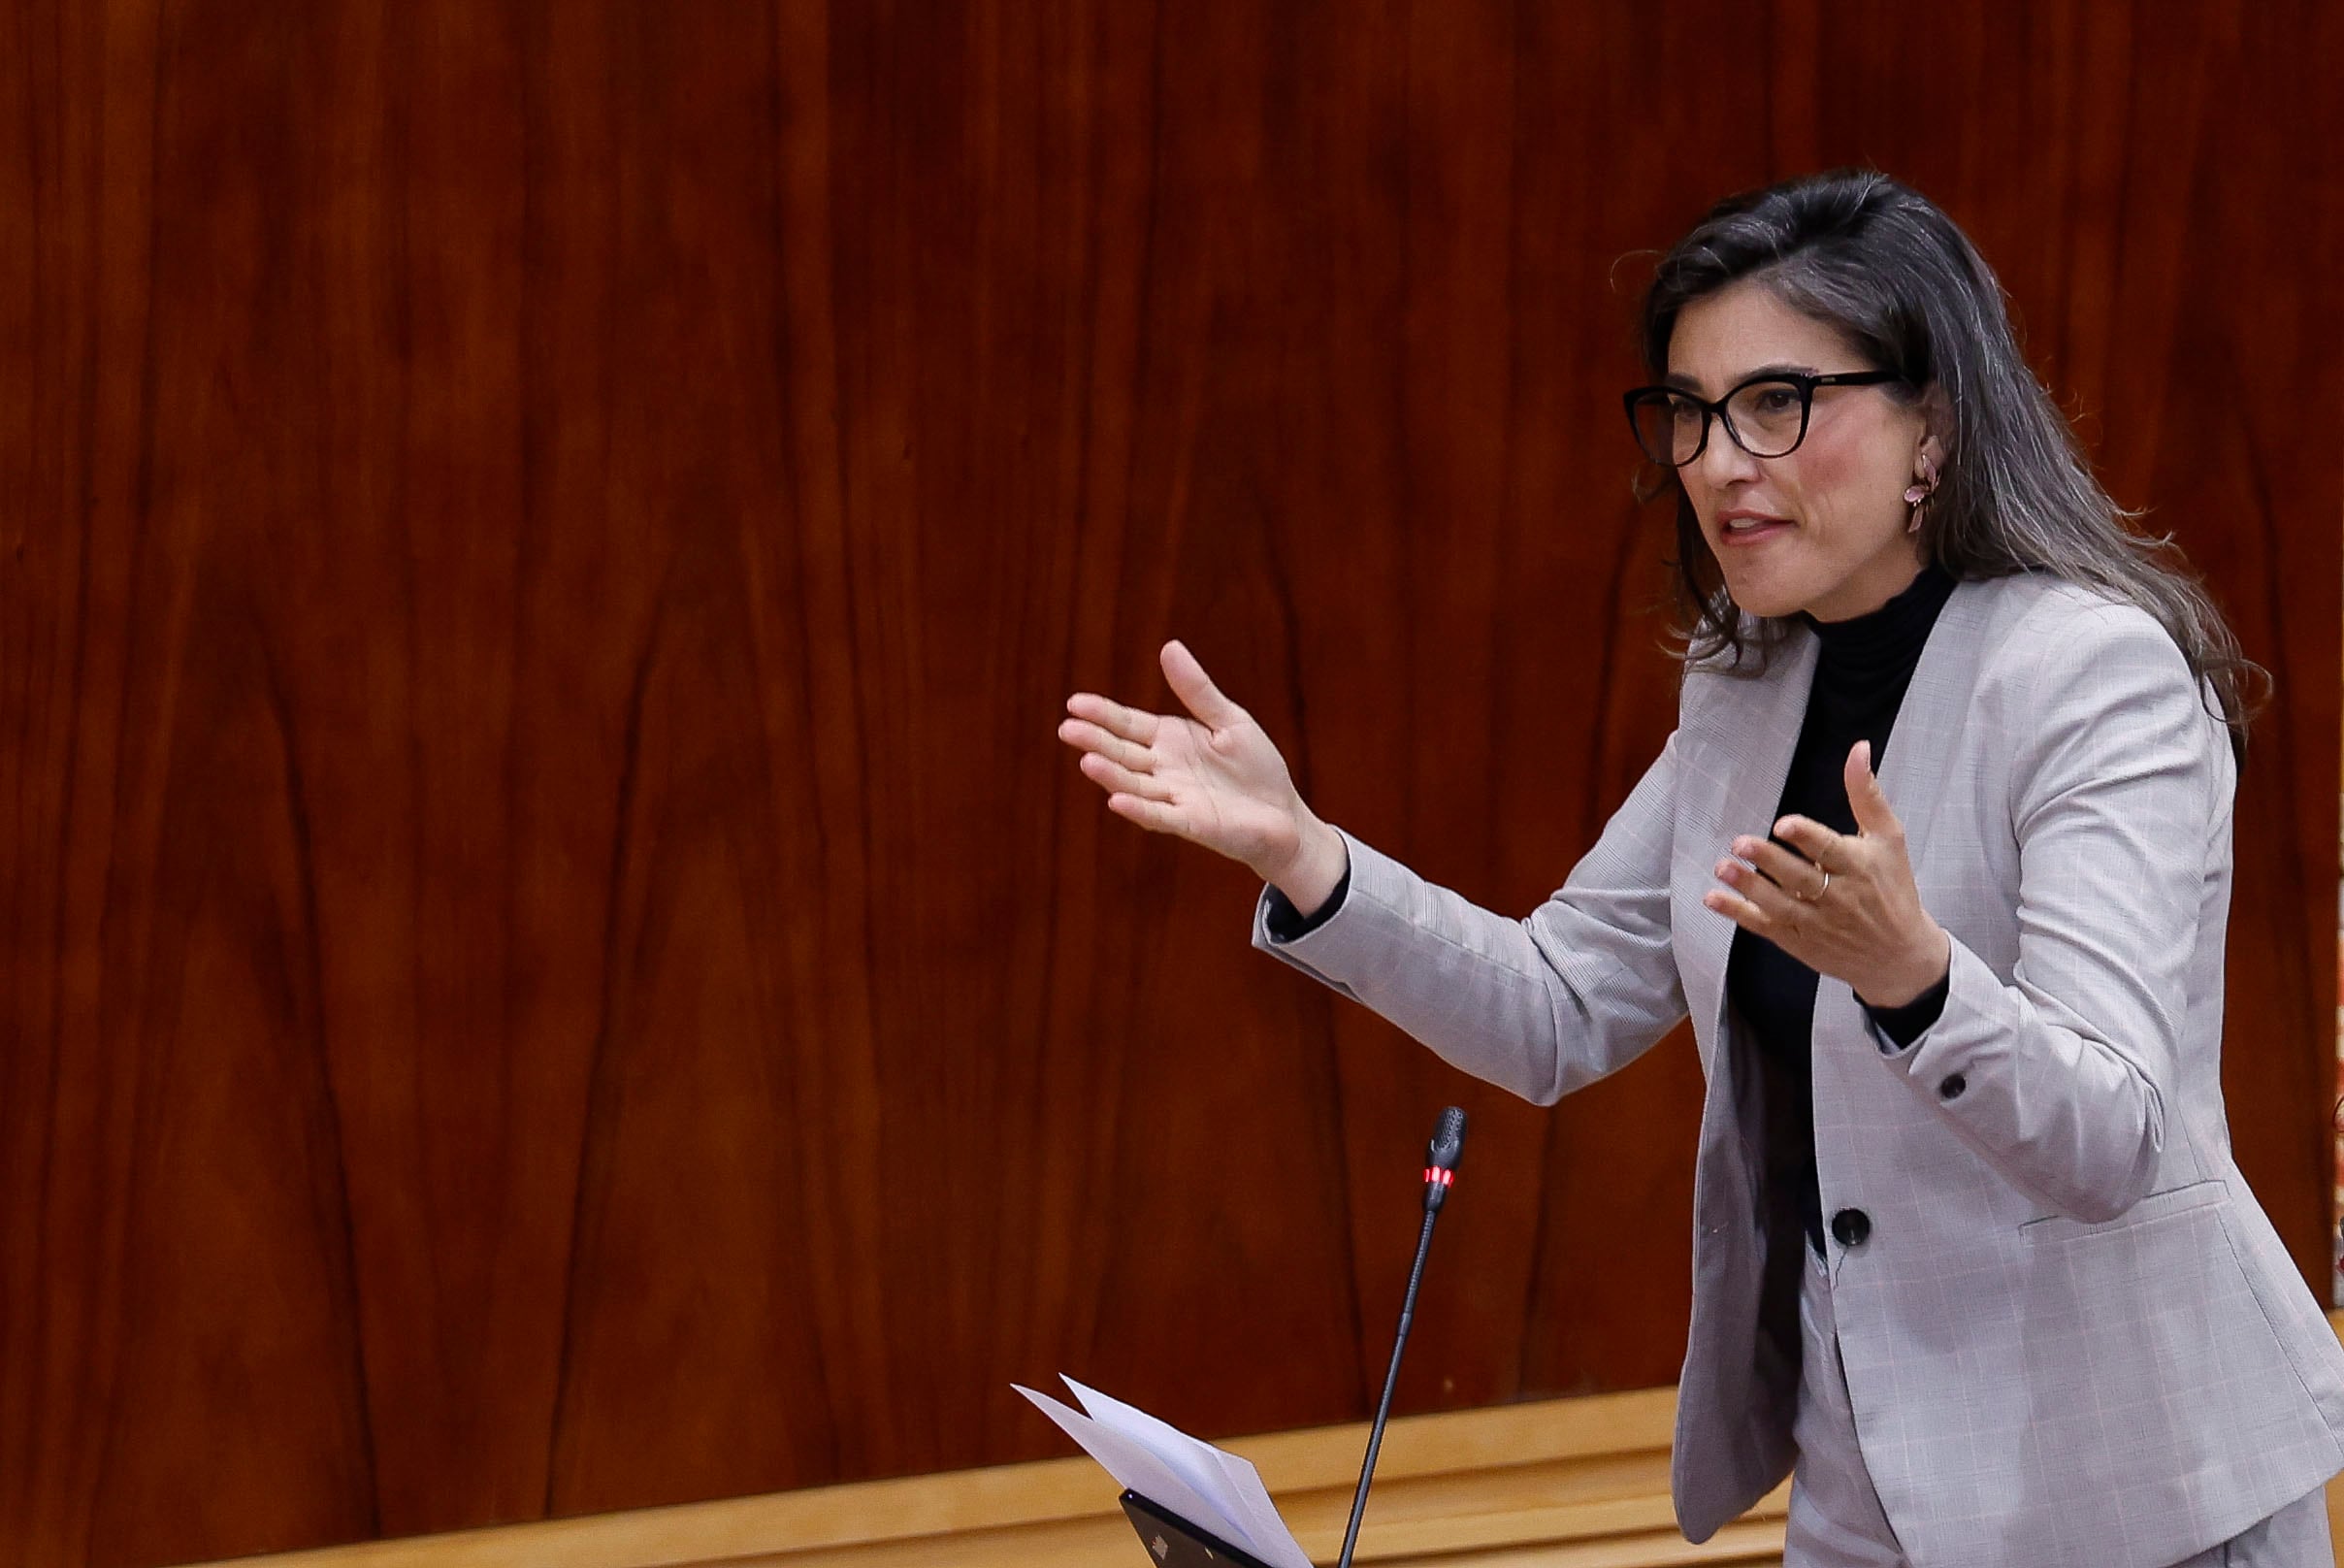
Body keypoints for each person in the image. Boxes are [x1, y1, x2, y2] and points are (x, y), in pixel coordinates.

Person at [1056, 170, 2344, 1568]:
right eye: (1691, 410)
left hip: (2134, 1492)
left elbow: (2117, 1142)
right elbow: (1555, 1007)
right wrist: (1307, 856)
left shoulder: (2092, 678)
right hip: (1867, 1484)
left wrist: (1915, 981)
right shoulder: (1749, 687)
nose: (1725, 460)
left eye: (1779, 404)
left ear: (1936, 427)